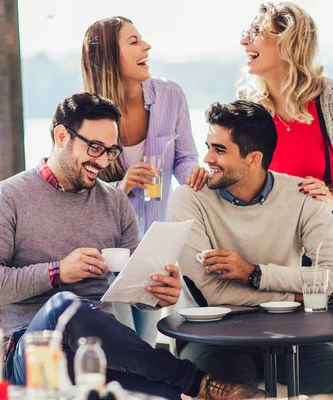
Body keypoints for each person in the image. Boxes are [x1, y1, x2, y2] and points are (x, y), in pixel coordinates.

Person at [0, 92, 265, 400]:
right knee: (65, 306)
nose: (102, 161)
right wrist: (56, 272)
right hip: (28, 353)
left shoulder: (114, 202)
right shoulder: (7, 198)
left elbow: (134, 286)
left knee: (163, 394)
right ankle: (198, 382)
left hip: (97, 355)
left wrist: (158, 293)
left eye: (110, 151)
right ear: (61, 135)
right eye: (94, 148)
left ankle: (183, 383)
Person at [168, 100, 333, 395]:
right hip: (212, 338)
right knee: (233, 384)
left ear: (253, 159)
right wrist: (298, 295)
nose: (207, 158)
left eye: (220, 149)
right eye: (208, 145)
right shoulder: (188, 199)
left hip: (287, 335)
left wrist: (255, 274)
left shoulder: (303, 196)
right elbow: (213, 292)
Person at [237, 1, 333, 375]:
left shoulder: (332, 97)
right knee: (292, 330)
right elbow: (241, 172)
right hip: (285, 234)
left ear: (288, 42)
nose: (245, 41)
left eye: (256, 32)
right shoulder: (251, 107)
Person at [81, 16, 208, 346]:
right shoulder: (86, 112)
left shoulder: (170, 95)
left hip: (153, 247)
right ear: (108, 55)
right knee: (123, 346)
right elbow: (76, 185)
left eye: (143, 39)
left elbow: (185, 157)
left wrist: (192, 174)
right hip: (108, 252)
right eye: (134, 41)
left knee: (147, 345)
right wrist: (121, 186)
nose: (146, 46)